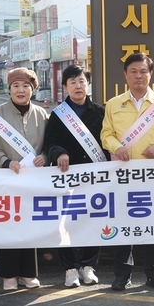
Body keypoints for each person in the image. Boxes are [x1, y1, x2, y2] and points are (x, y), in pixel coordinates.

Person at [100, 53, 154, 291]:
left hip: (153, 175)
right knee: (123, 223)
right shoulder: (114, 104)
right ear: (125, 74)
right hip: (123, 175)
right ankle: (122, 274)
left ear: (150, 74)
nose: (138, 76)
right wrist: (117, 147)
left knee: (152, 224)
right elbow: (106, 134)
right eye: (133, 71)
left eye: (143, 71)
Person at [0, 68, 48, 291]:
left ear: (33, 90)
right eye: (16, 86)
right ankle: (8, 275)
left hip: (33, 181)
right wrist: (5, 161)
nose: (21, 90)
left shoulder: (42, 114)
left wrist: (45, 156)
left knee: (30, 225)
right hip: (6, 179)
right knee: (8, 226)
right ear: (9, 89)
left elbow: (50, 143)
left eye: (26, 86)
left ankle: (29, 273)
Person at [43, 66, 108, 288]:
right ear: (65, 87)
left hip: (95, 176)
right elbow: (49, 141)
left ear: (88, 84)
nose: (78, 86)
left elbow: (108, 139)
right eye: (72, 82)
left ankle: (88, 265)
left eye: (81, 81)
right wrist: (59, 152)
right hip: (67, 177)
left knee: (93, 219)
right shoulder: (58, 114)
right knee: (66, 221)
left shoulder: (100, 112)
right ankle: (69, 268)